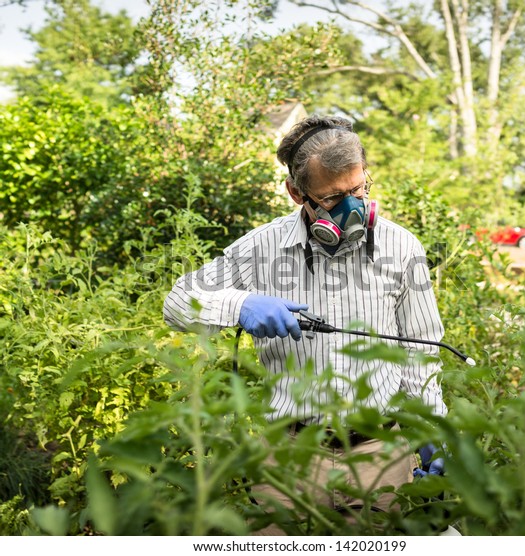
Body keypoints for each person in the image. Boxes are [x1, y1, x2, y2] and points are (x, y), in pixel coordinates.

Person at [163, 115, 448, 534]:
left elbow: (420, 350)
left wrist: (434, 428)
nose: (352, 207)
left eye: (358, 189)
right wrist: (240, 304)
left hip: (380, 458)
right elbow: (176, 304)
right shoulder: (261, 248)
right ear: (297, 193)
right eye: (333, 198)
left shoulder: (401, 246)